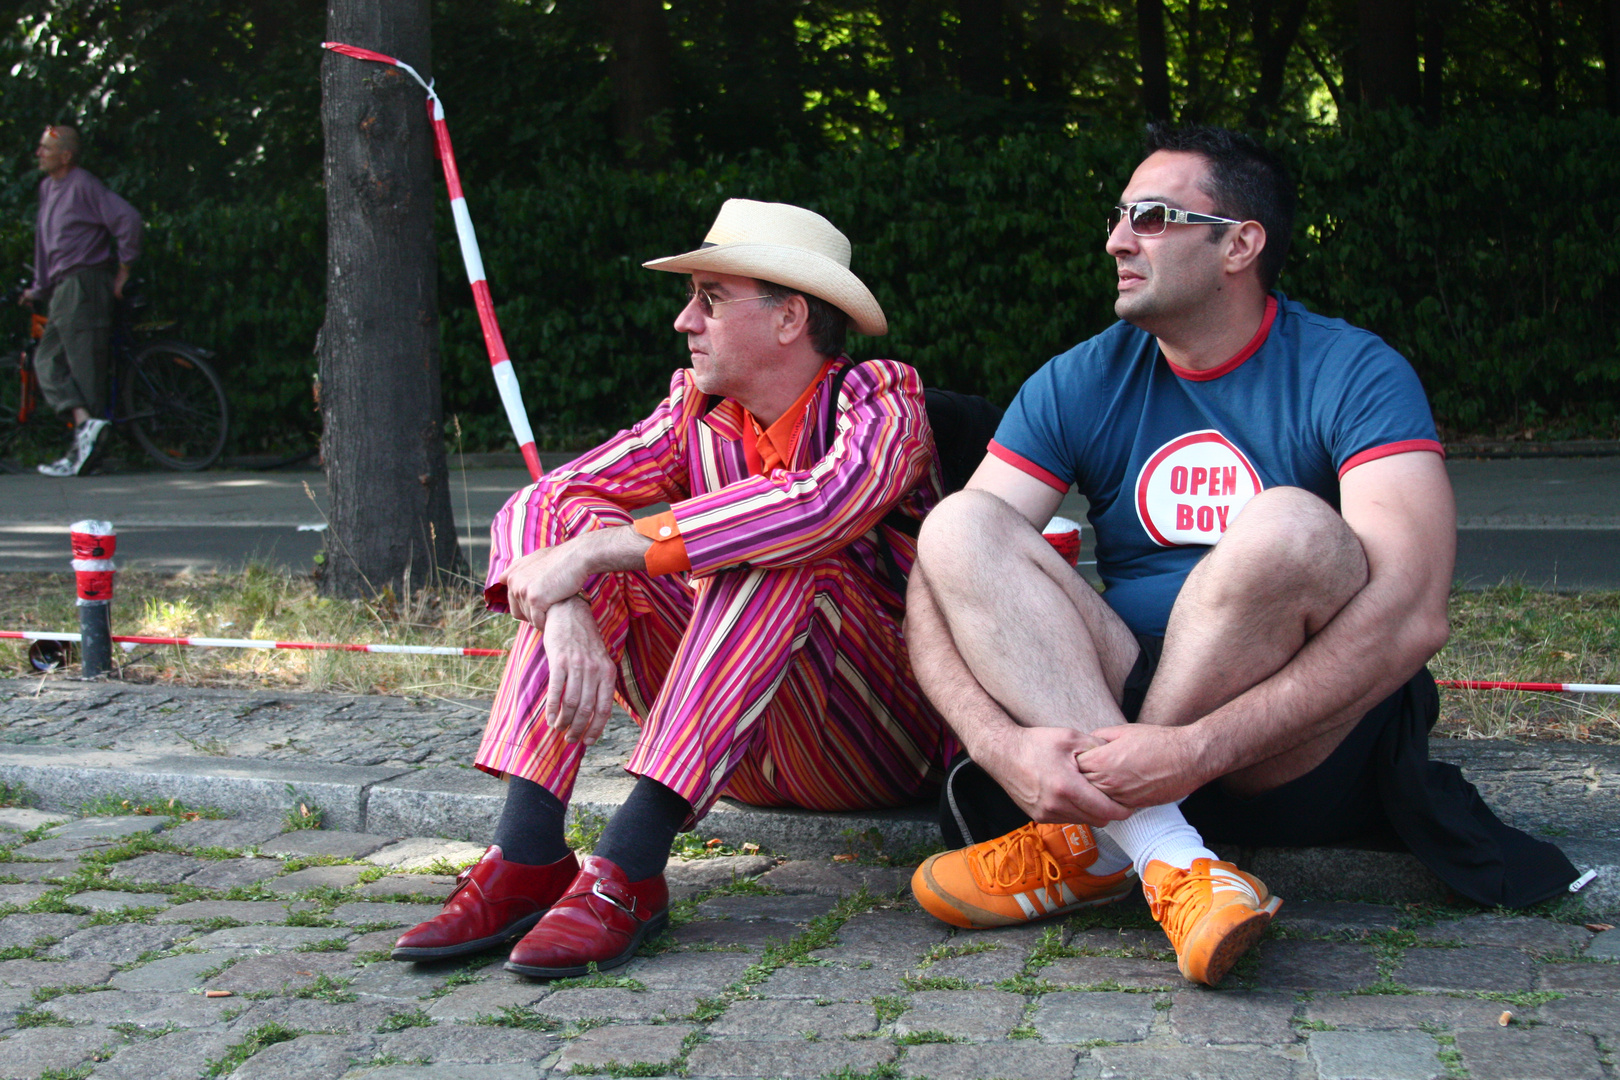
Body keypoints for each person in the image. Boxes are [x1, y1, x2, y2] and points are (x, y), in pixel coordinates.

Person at [903, 125, 1576, 988]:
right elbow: (940, 577)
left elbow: (1413, 610)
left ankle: (1105, 843)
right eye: (1117, 216)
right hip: (1118, 706)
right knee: (957, 525)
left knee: (1289, 526)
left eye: (1150, 217)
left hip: (1285, 740)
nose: (1116, 239)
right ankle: (1165, 854)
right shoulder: (1080, 379)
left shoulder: (1353, 370)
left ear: (1240, 244)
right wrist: (1000, 748)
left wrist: (1189, 751)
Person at [394, 199, 955, 977]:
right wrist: (566, 608)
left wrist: (598, 552)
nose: (684, 321)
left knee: (777, 547)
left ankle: (630, 866)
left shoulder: (884, 402)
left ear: (790, 317)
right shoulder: (694, 410)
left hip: (875, 740)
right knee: (575, 532)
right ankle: (526, 851)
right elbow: (544, 499)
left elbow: (821, 507)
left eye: (710, 300)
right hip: (736, 749)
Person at [20, 125, 142, 478]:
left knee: (80, 367)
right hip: (63, 288)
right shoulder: (48, 189)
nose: (39, 153)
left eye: (45, 149)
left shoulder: (83, 185)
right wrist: (39, 288)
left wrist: (124, 268)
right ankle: (85, 433)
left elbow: (128, 219)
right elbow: (45, 246)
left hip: (84, 284)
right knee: (52, 360)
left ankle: (87, 446)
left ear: (66, 156)